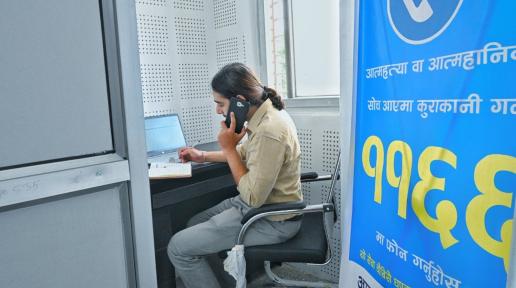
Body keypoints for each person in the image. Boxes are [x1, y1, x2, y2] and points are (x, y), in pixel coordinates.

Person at [167, 62, 303, 288]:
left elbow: (252, 197)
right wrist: (201, 155)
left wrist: (228, 148)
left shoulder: (270, 130)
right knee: (193, 223)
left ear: (240, 101)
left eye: (220, 104)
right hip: (260, 207)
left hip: (272, 218)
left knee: (178, 247)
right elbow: (245, 152)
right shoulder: (266, 115)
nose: (218, 111)